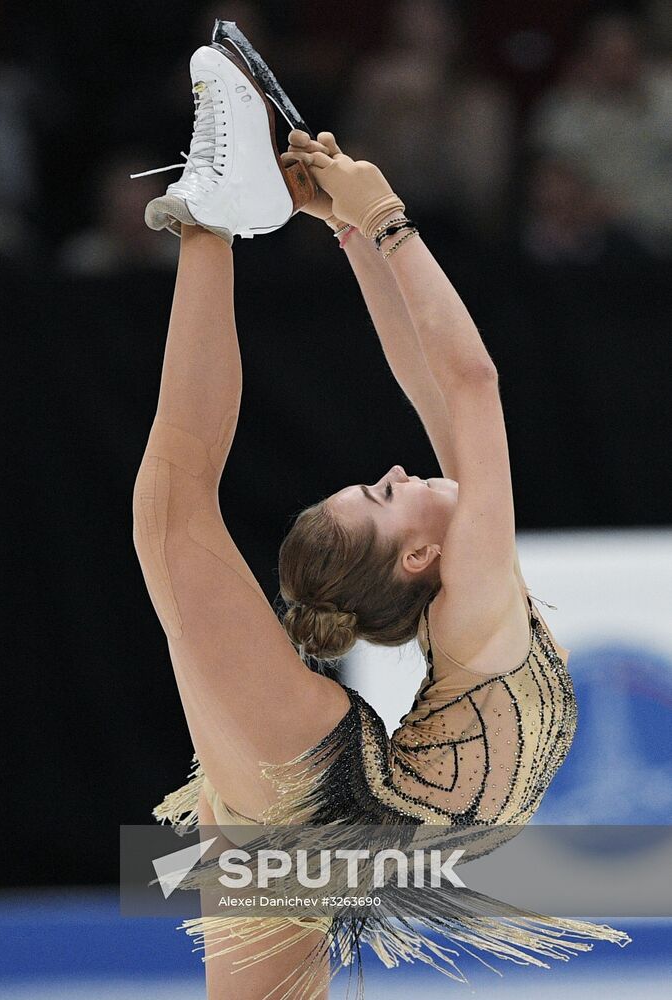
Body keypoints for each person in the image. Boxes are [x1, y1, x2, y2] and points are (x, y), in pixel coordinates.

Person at [131, 26, 629, 1000]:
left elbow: (440, 391)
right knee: (170, 513)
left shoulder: (470, 586)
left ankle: (215, 217)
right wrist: (377, 222)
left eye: (381, 484)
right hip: (355, 808)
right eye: (386, 493)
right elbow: (464, 384)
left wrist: (360, 228)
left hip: (340, 800)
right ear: (416, 559)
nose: (400, 468)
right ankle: (210, 219)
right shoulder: (477, 596)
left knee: (169, 513)